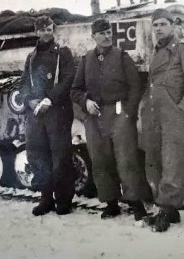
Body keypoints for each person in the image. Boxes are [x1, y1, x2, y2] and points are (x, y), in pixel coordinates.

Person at [71, 18, 150, 223]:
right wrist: (85, 102)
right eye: (102, 33)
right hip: (94, 117)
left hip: (119, 114)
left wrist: (128, 113)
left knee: (126, 159)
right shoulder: (86, 59)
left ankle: (136, 203)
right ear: (93, 37)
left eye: (109, 33)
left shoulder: (122, 56)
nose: (107, 36)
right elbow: (75, 90)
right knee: (100, 160)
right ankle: (111, 203)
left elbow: (135, 86)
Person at [141, 8, 184, 232]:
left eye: (163, 24)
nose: (159, 28)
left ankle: (165, 209)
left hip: (174, 116)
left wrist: (182, 111)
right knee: (156, 159)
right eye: (155, 25)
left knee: (173, 162)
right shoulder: (157, 51)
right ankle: (168, 209)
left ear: (172, 26)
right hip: (155, 115)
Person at [19, 16, 76, 216]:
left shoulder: (63, 53)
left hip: (57, 112)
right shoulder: (31, 57)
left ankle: (63, 200)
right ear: (36, 32)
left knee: (60, 157)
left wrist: (49, 99)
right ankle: (45, 198)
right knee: (37, 155)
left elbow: (69, 78)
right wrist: (29, 100)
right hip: (36, 114)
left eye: (49, 29)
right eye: (42, 30)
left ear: (54, 30)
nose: (46, 33)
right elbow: (24, 82)